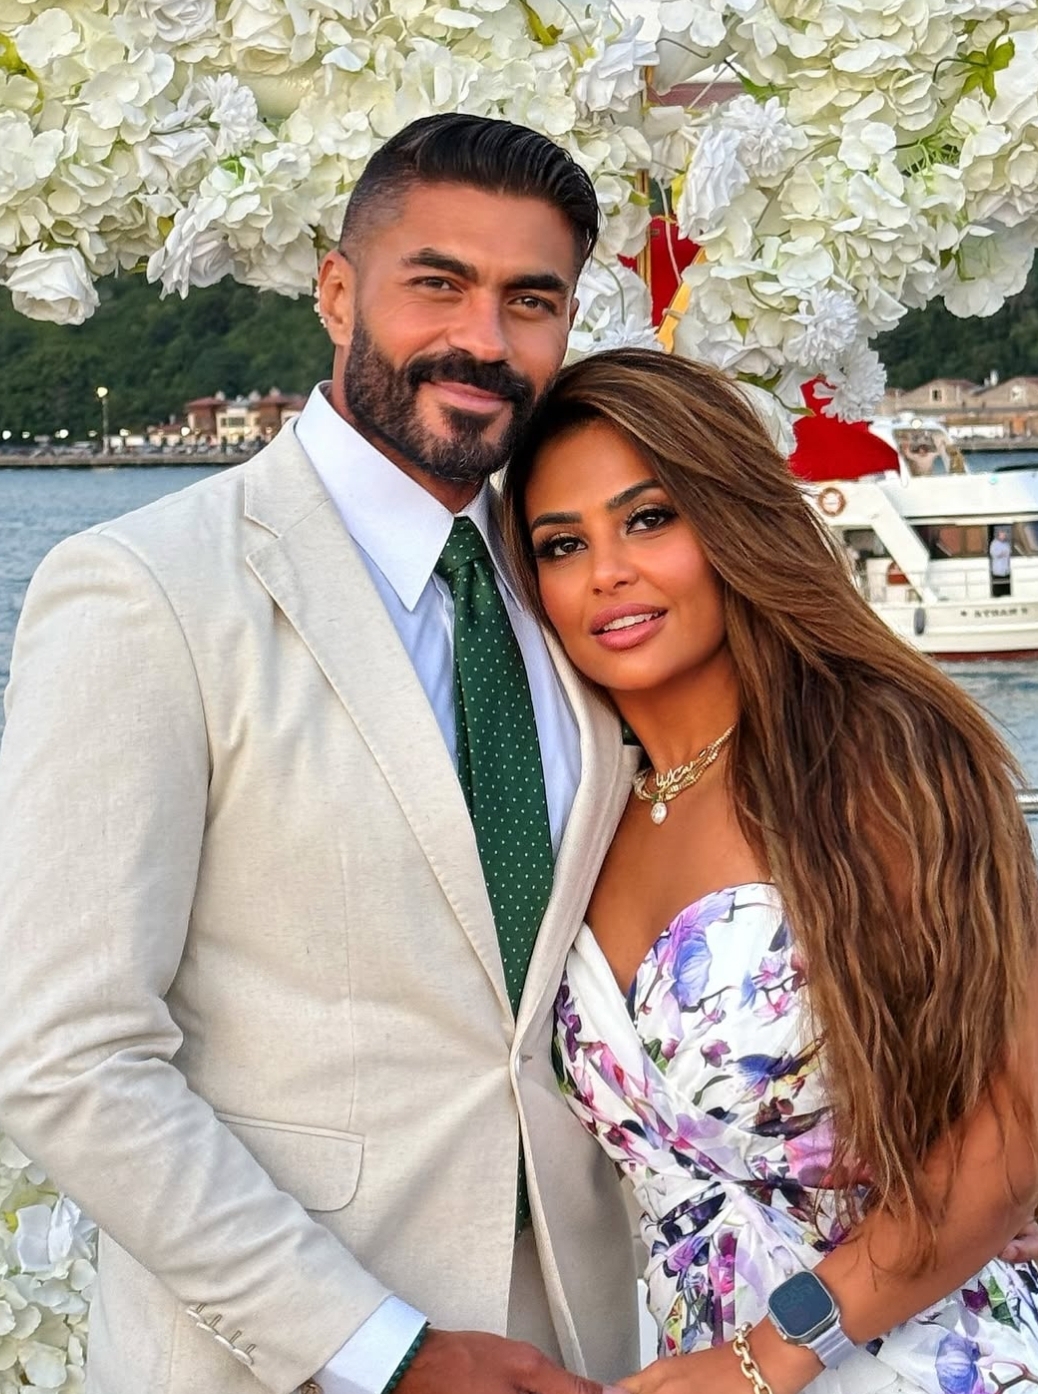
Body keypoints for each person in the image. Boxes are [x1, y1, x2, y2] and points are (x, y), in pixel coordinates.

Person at [0, 115, 641, 1394]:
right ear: (337, 292)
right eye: (438, 283)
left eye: (531, 300)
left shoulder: (575, 586)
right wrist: (382, 1348)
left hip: (584, 1335)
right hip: (285, 1353)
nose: (485, 339)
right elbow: (67, 1053)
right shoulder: (146, 589)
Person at [501, 348, 1038, 1394]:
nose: (607, 571)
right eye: (562, 543)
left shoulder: (877, 752)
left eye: (649, 519)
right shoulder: (582, 808)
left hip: (930, 1359)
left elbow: (1018, 1121)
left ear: (731, 521)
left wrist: (765, 1357)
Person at [989, 527, 1013, 597]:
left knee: (1007, 585)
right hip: (998, 569)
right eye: (1002, 535)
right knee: (998, 585)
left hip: (1006, 568)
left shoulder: (1006, 544)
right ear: (999, 535)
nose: (1004, 536)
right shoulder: (994, 543)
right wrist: (1002, 553)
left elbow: (1009, 552)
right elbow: (993, 553)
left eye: (1004, 535)